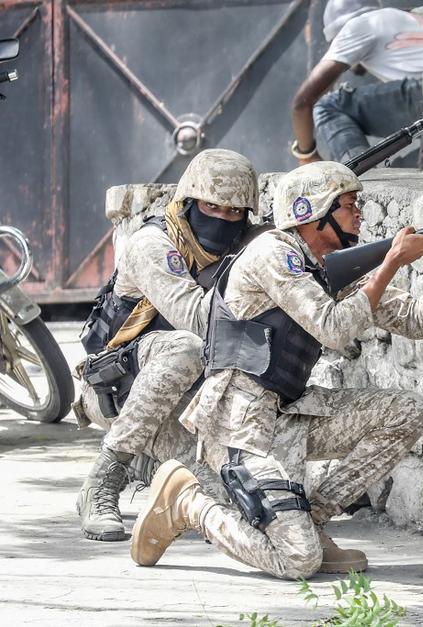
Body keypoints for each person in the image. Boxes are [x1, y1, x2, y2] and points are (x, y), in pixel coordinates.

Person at [130, 161, 423, 578]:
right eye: (348, 205)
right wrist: (393, 261)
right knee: (298, 561)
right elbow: (334, 328)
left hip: (290, 414)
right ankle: (190, 504)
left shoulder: (326, 267)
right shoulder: (274, 253)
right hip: (242, 426)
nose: (359, 214)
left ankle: (311, 521)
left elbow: (419, 320)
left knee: (409, 411)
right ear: (312, 212)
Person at [74, 149, 259, 541]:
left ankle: (147, 466)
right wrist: (257, 272)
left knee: (239, 499)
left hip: (191, 404)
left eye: (234, 212)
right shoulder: (153, 244)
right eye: (212, 207)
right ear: (189, 202)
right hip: (120, 389)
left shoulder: (244, 244)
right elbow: (198, 321)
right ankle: (103, 480)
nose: (223, 219)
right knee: (187, 347)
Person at [289, 0, 423, 165]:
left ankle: (360, 172)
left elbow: (302, 103)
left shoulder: (356, 26)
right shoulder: (405, 17)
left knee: (327, 106)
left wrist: (306, 155)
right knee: (412, 166)